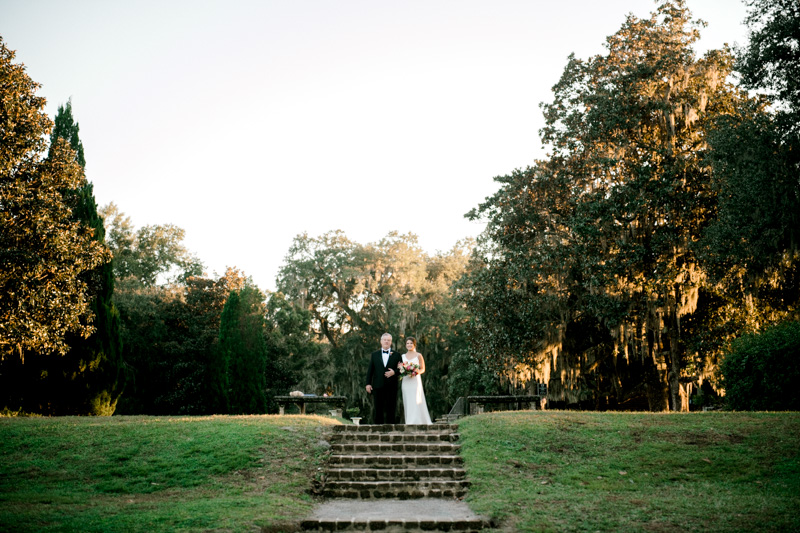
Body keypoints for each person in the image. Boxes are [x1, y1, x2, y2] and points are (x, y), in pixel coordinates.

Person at [365, 333, 402, 424]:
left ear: (391, 342)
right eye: (385, 340)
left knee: (391, 408)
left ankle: (391, 430)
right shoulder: (374, 355)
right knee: (378, 408)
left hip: (392, 385)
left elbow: (401, 370)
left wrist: (394, 372)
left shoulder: (397, 355)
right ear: (381, 341)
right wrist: (368, 383)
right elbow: (370, 370)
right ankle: (378, 430)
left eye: (388, 340)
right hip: (377, 385)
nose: (386, 341)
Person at [399, 336, 432, 425]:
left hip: (415, 380)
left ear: (414, 344)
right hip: (406, 381)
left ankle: (418, 421)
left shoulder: (418, 355)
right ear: (405, 345)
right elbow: (400, 368)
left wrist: (415, 373)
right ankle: (409, 421)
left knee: (416, 399)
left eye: (411, 343)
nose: (409, 345)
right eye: (407, 343)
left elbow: (422, 369)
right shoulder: (402, 356)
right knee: (408, 400)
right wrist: (402, 369)